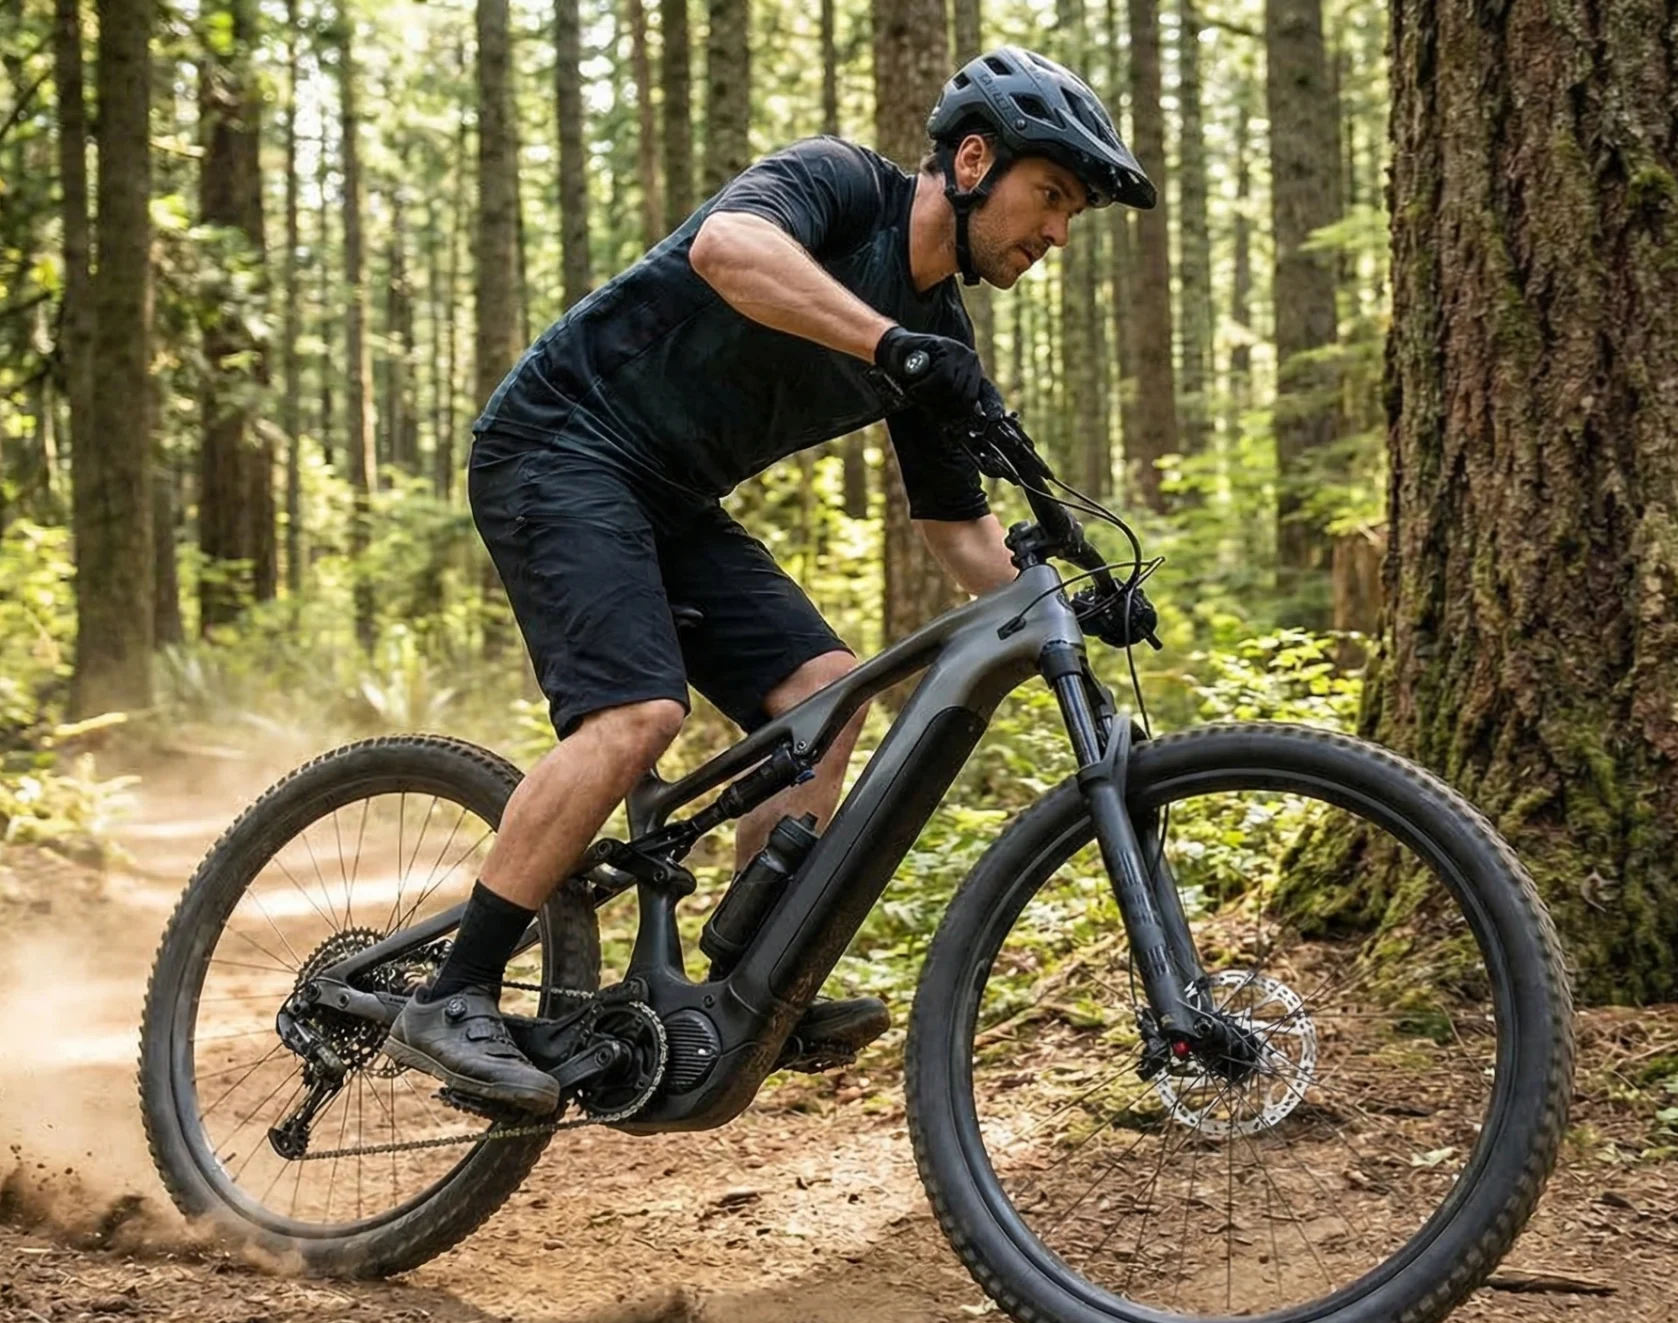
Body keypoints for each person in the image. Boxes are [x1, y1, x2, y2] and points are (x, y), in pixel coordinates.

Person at [382, 47, 1157, 1113]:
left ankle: (750, 984)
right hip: (558, 443)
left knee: (826, 699)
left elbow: (958, 530)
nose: (1057, 233)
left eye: (1072, 214)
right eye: (1052, 196)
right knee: (637, 714)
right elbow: (728, 246)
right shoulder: (842, 186)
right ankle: (451, 994)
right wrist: (890, 345)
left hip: (672, 500)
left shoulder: (939, 335)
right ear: (974, 159)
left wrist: (1072, 613)